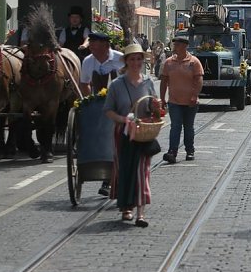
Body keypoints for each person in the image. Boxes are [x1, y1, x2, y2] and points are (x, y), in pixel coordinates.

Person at [103, 44, 158, 227]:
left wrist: (157, 109)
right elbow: (108, 111)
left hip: (144, 132)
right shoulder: (117, 85)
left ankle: (141, 213)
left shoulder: (148, 83)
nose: (136, 63)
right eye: (132, 59)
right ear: (126, 62)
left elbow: (153, 106)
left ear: (143, 61)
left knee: (142, 170)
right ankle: (126, 207)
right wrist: (123, 119)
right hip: (123, 133)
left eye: (139, 59)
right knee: (125, 168)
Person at [80, 31, 124, 196]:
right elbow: (84, 83)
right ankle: (102, 171)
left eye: (95, 43)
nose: (91, 45)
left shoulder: (120, 59)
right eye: (90, 42)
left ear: (106, 45)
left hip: (119, 106)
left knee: (117, 140)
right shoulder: (87, 62)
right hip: (99, 107)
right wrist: (89, 101)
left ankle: (111, 179)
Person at [160, 36, 203, 164]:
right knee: (175, 126)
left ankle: (190, 151)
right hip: (174, 102)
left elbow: (199, 80)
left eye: (177, 45)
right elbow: (163, 81)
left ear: (185, 46)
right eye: (174, 45)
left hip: (191, 102)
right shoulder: (168, 62)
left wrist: (195, 95)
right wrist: (162, 98)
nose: (175, 47)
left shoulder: (194, 62)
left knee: (188, 127)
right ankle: (172, 152)